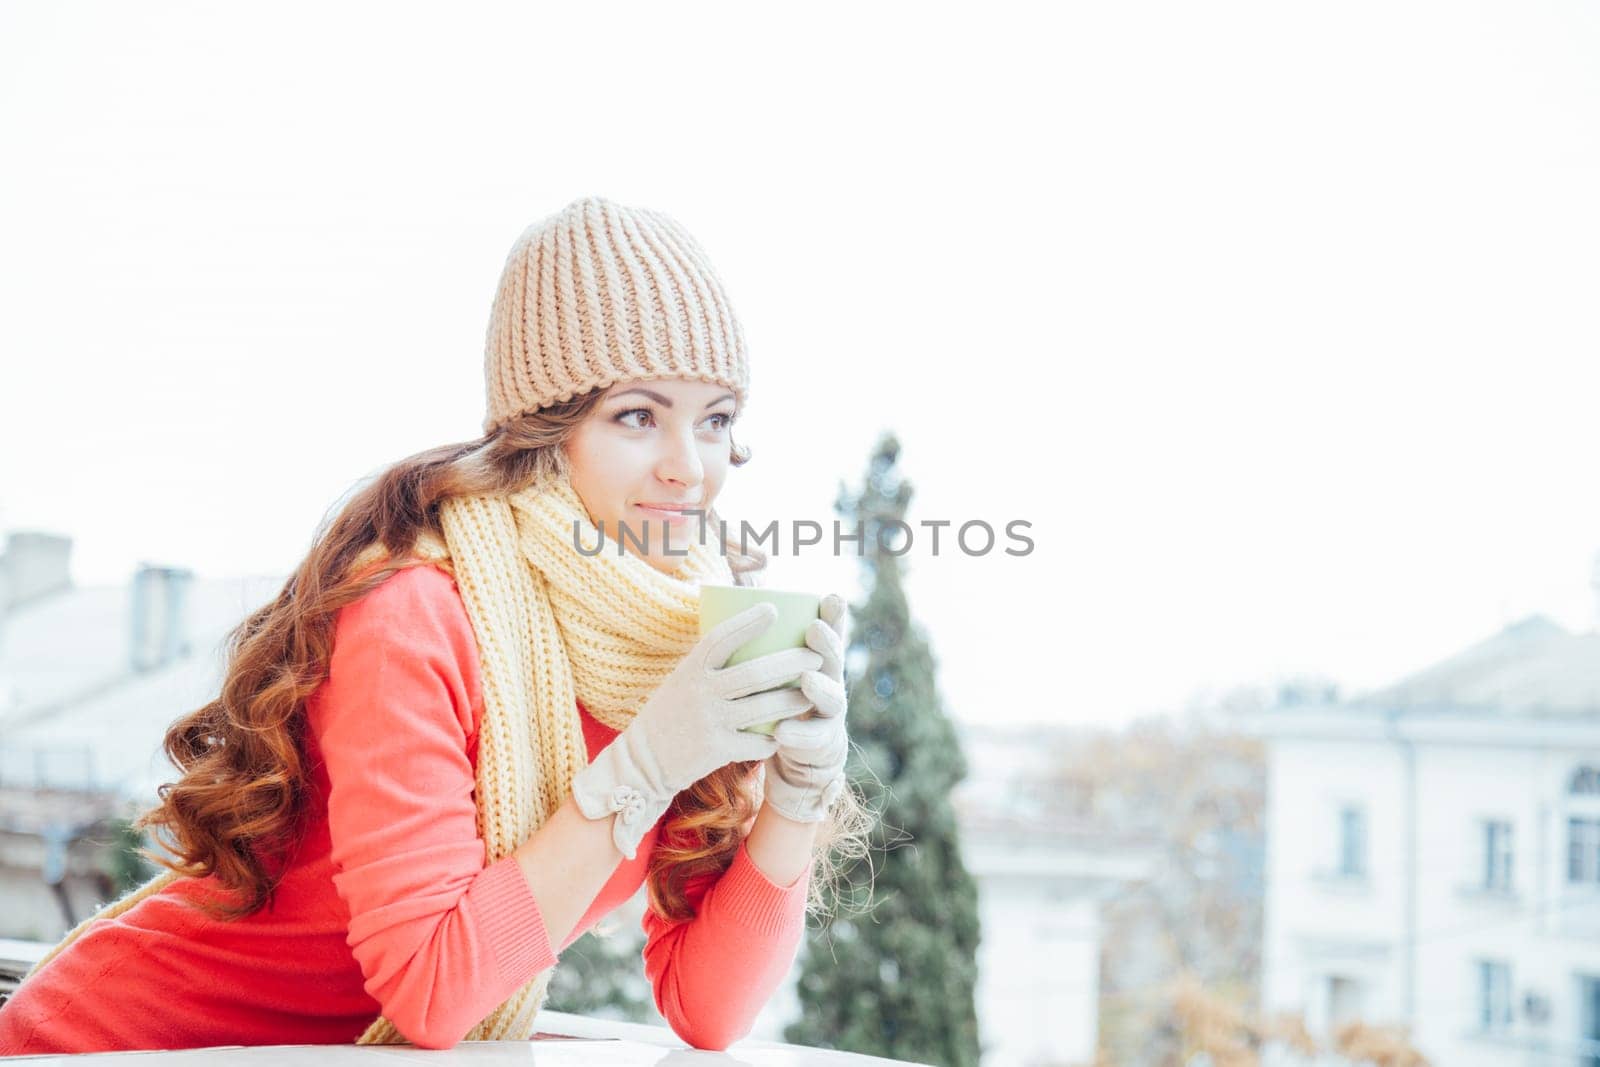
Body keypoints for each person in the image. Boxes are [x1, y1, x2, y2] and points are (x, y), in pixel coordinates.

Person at [0, 196, 872, 1054]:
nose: (691, 470)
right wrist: (644, 764)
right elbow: (430, 986)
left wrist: (795, 800)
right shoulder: (415, 613)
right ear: (546, 429)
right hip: (110, 1043)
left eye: (716, 420)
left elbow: (707, 1011)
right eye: (638, 415)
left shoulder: (674, 634)